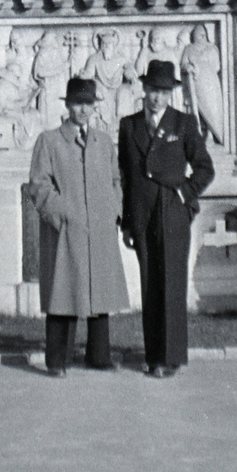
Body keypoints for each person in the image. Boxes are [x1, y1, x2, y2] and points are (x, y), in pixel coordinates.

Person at [118, 59, 215, 377]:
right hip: (143, 215)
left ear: (170, 93)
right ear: (144, 90)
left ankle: (171, 357)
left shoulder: (184, 123)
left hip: (172, 211)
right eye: (152, 90)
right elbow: (127, 177)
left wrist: (185, 196)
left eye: (162, 91)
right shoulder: (129, 126)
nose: (157, 97)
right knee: (150, 285)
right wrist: (129, 223)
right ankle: (153, 355)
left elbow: (204, 168)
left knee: (172, 282)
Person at [26, 76, 129, 377]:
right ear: (68, 105)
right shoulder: (49, 141)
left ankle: (99, 356)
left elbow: (115, 180)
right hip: (66, 229)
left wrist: (113, 211)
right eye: (78, 104)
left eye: (88, 104)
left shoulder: (103, 142)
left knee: (99, 292)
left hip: (98, 228)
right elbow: (39, 185)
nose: (83, 110)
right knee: (63, 293)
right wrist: (62, 214)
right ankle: (57, 361)